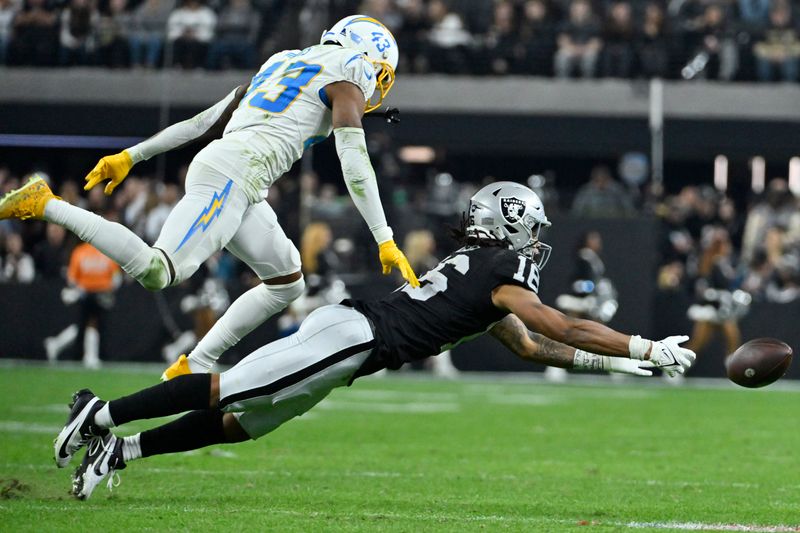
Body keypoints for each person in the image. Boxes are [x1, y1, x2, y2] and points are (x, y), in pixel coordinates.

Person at [52, 182, 695, 500]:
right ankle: (100, 415)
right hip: (354, 335)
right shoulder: (499, 274)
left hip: (355, 348)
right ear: (507, 222)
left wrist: (607, 364)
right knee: (233, 388)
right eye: (529, 226)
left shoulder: (481, 282)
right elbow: (556, 324)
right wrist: (639, 346)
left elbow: (531, 346)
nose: (535, 240)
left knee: (245, 424)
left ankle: (122, 450)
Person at [0, 15, 419, 379]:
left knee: (287, 281)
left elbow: (205, 121)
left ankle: (195, 362)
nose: (376, 85)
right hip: (233, 175)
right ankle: (46, 203)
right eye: (379, 74)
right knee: (157, 271)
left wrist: (133, 155)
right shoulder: (349, 69)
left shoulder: (283, 60)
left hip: (241, 177)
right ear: (365, 54)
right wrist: (384, 237)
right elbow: (354, 159)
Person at [44, 242, 122, 368]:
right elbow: (72, 277)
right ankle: (89, 356)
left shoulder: (101, 250)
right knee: (85, 326)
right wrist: (81, 290)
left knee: (93, 326)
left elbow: (115, 278)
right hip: (86, 296)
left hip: (99, 295)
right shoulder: (83, 251)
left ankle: (60, 345)